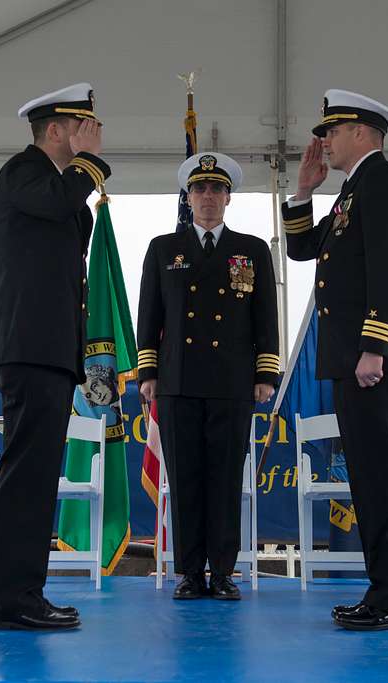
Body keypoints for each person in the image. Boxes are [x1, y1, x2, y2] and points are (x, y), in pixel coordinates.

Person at [282, 89, 388, 631]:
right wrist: (303, 190)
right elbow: (302, 250)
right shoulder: (351, 191)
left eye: (332, 131)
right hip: (349, 356)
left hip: (369, 356)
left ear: (362, 131)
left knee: (382, 475)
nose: (325, 142)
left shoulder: (383, 182)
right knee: (367, 476)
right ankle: (387, 591)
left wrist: (374, 345)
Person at [0, 83, 109, 630]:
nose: (94, 134)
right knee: (26, 477)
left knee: (38, 480)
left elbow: (69, 225)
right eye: (84, 126)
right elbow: (60, 204)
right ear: (57, 129)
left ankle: (23, 594)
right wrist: (90, 164)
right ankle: (12, 599)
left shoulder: (54, 185)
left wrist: (82, 169)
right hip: (29, 348)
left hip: (51, 350)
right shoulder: (22, 172)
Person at [137, 152, 279, 601]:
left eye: (217, 189)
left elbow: (265, 317)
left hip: (232, 381)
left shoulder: (252, 250)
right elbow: (149, 314)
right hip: (178, 379)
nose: (208, 197)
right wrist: (148, 371)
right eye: (200, 189)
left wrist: (265, 372)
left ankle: (222, 572)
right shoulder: (164, 248)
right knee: (185, 479)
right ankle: (189, 572)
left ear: (228, 197)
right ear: (188, 197)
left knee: (223, 479)